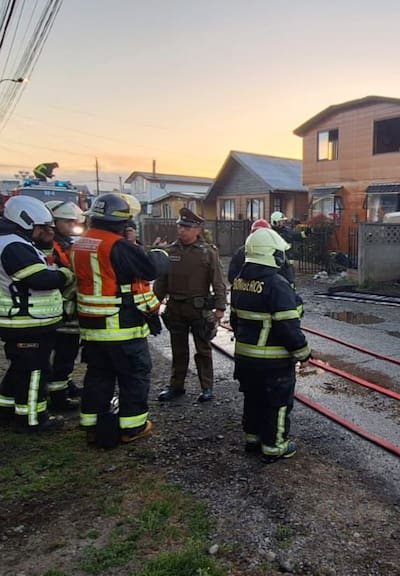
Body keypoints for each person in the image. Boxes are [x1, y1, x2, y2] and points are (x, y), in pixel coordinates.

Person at [71, 193, 167, 445]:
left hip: (91, 326)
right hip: (120, 326)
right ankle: (132, 427)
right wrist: (160, 252)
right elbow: (150, 269)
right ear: (121, 221)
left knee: (98, 375)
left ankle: (91, 424)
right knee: (134, 375)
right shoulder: (116, 245)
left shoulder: (80, 243)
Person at [230, 227, 311, 462]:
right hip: (273, 362)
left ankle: (252, 438)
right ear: (273, 255)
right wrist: (304, 353)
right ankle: (275, 447)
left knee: (253, 398)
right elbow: (288, 327)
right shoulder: (277, 285)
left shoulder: (239, 282)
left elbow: (235, 320)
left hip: (245, 358)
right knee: (278, 403)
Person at [0, 196, 74, 431]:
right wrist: (65, 274)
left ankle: (6, 408)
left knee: (19, 369)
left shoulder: (15, 242)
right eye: (44, 228)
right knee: (34, 372)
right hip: (25, 321)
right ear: (29, 223)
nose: (48, 232)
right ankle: (32, 419)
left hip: (24, 320)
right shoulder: (14, 246)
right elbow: (40, 278)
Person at [153, 208, 227, 403]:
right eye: (180, 226)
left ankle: (207, 388)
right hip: (175, 308)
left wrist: (220, 307)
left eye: (186, 227)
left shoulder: (207, 253)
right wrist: (153, 304)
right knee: (178, 350)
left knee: (203, 349)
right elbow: (162, 281)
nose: (182, 230)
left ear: (197, 230)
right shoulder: (170, 251)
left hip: (198, 309)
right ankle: (176, 386)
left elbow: (218, 281)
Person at [41, 200, 85, 409]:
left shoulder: (64, 242)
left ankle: (65, 384)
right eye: (67, 222)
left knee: (67, 353)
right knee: (64, 354)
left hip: (68, 307)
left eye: (73, 221)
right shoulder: (50, 246)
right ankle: (59, 397)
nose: (72, 225)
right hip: (61, 309)